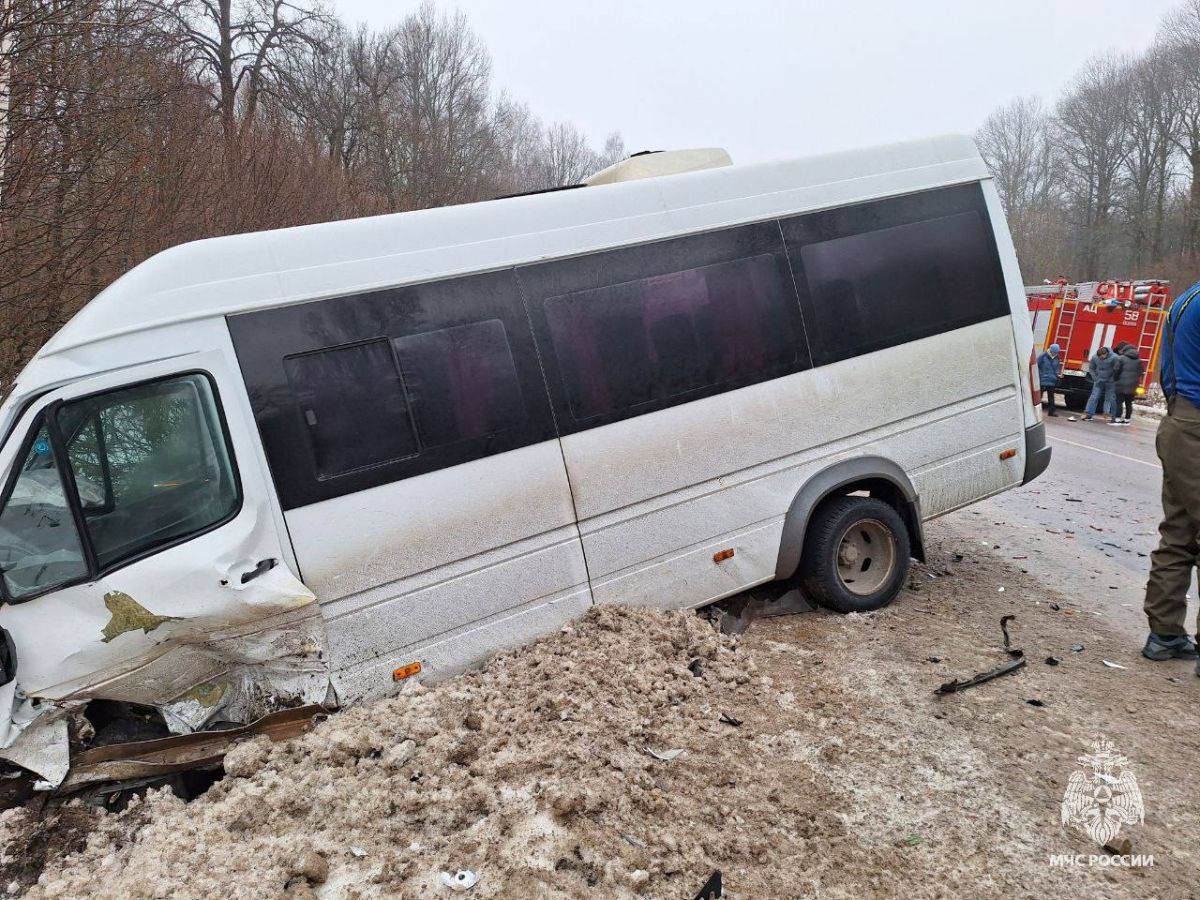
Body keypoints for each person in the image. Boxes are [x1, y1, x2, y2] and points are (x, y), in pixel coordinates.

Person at [1142, 279, 1200, 664]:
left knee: (1178, 533)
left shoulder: (1187, 298)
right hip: (1196, 424)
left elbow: (1168, 368)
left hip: (1180, 421)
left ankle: (1164, 633)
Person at [1110, 344, 1143, 426]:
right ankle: (1127, 420)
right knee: (1129, 403)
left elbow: (1116, 370)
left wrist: (1115, 379)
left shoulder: (1120, 358)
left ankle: (1117, 419)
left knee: (1119, 402)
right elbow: (1140, 373)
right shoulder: (1139, 361)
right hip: (1133, 385)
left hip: (1121, 384)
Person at [1083, 346, 1117, 422]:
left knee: (1109, 398)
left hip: (1110, 381)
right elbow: (1092, 368)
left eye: (1103, 356)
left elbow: (1117, 369)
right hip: (1099, 380)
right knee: (1094, 396)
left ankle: (1107, 414)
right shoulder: (1095, 358)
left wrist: (1112, 379)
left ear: (1106, 353)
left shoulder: (1114, 358)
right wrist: (1095, 378)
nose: (1101, 358)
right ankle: (1089, 413)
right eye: (1100, 357)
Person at [1037, 343, 1063, 416]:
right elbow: (1036, 365)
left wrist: (1057, 375)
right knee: (1039, 396)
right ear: (1051, 350)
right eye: (1054, 352)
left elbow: (1057, 367)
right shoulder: (1043, 355)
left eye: (1057, 352)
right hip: (1043, 379)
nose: (1055, 353)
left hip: (1052, 380)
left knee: (1051, 396)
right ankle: (1036, 411)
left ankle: (1051, 411)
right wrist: (1040, 374)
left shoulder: (1057, 357)